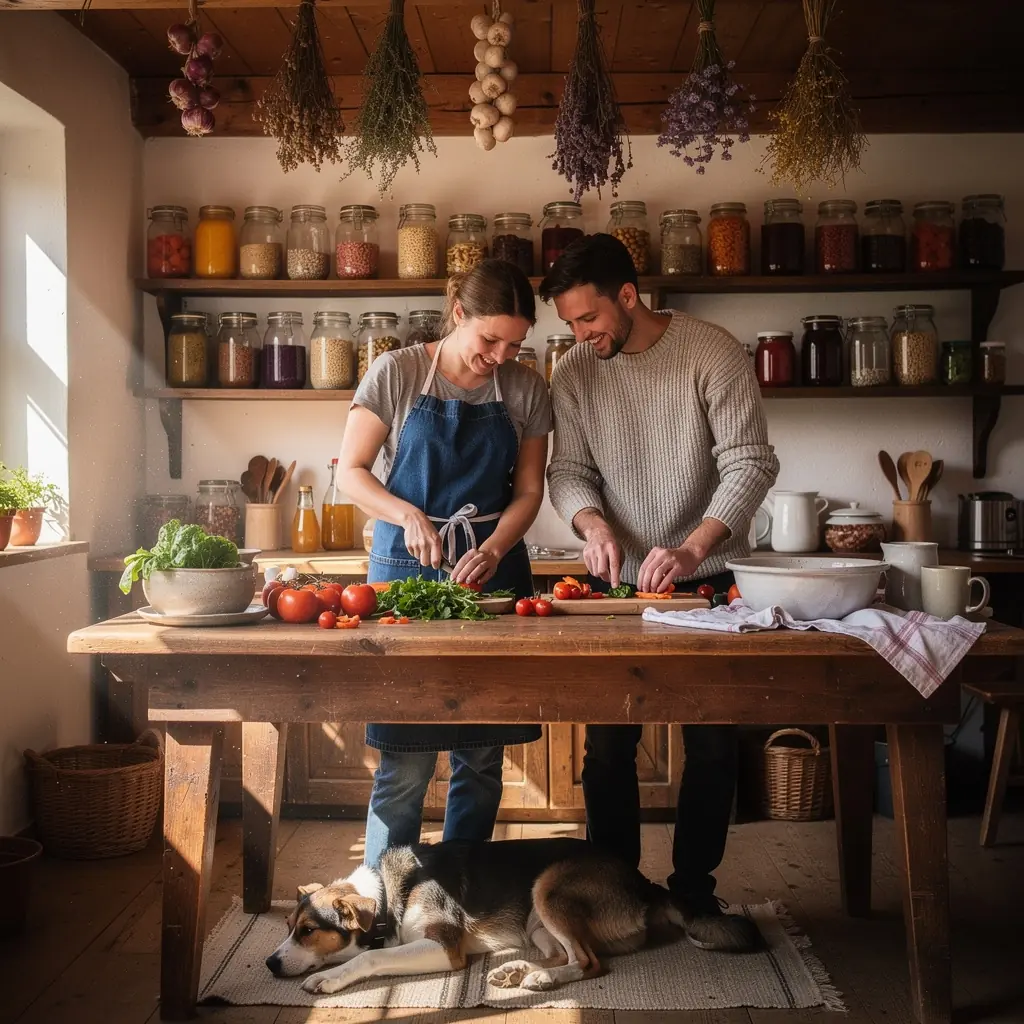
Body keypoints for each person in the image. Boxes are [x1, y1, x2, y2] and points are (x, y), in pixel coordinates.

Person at [540, 233, 780, 952]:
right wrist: (590, 523)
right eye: (571, 325)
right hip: (619, 587)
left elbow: (750, 464)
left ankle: (694, 895)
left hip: (711, 583)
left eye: (588, 319)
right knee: (608, 747)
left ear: (628, 296)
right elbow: (568, 472)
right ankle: (617, 895)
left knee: (710, 747)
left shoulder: (712, 351)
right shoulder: (577, 371)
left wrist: (692, 547)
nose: (581, 336)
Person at [338, 258, 551, 869]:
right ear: (458, 314)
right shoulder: (398, 372)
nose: (502, 355)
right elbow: (351, 472)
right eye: (490, 339)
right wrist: (407, 514)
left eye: (515, 343)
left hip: (491, 572)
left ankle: (460, 887)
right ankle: (385, 894)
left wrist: (494, 548)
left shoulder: (526, 388)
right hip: (405, 572)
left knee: (482, 756)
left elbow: (528, 492)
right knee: (404, 758)